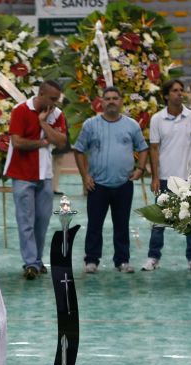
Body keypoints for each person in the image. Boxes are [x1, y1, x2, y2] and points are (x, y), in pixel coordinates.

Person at [73, 86, 149, 274]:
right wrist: (85, 176)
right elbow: (78, 150)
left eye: (115, 98)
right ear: (102, 102)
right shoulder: (90, 125)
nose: (112, 101)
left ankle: (122, 261)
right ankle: (91, 261)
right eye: (108, 98)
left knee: (122, 224)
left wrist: (140, 169)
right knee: (94, 224)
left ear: (121, 101)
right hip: (97, 185)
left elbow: (143, 148)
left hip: (124, 184)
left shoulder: (132, 125)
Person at [3, 80, 67, 280]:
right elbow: (17, 142)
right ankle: (30, 262)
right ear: (40, 93)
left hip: (45, 175)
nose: (56, 102)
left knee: (42, 221)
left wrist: (42, 123)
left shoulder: (56, 114)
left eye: (57, 99)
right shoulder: (20, 110)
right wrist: (42, 142)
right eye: (52, 98)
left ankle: (37, 261)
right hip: (22, 174)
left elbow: (61, 141)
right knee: (26, 221)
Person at [142, 79, 191, 273]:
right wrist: (154, 177)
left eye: (182, 91)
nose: (180, 94)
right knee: (159, 220)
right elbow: (154, 149)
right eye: (175, 91)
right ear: (166, 95)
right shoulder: (157, 119)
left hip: (189, 178)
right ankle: (153, 257)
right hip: (165, 178)